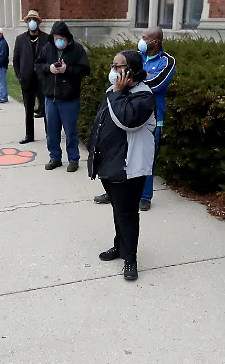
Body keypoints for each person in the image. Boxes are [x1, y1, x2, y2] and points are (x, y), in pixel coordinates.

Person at [87, 50, 157, 281]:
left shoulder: (143, 96)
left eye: (119, 66)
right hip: (111, 163)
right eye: (113, 65)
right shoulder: (113, 91)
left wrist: (117, 93)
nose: (113, 70)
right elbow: (102, 122)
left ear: (132, 70)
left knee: (127, 213)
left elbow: (127, 120)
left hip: (130, 167)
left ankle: (130, 259)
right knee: (118, 210)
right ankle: (119, 246)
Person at [93, 26, 176, 211]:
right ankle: (114, 190)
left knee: (145, 156)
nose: (142, 41)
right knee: (118, 153)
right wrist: (128, 80)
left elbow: (157, 84)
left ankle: (144, 196)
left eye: (146, 38)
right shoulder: (137, 57)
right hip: (125, 109)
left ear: (156, 41)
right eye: (142, 37)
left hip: (150, 116)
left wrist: (133, 79)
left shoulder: (166, 61)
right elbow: (130, 79)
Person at [36, 21, 91, 172]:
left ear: (67, 37)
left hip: (69, 98)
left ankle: (73, 159)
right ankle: (55, 157)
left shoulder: (77, 49)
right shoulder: (47, 48)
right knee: (52, 131)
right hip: (50, 97)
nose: (58, 41)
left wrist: (68, 70)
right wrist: (49, 68)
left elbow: (85, 69)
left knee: (70, 131)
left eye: (61, 38)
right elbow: (38, 65)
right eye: (55, 38)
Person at [13, 10, 49, 143]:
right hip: (27, 80)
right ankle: (29, 135)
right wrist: (19, 76)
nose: (32, 22)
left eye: (34, 19)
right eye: (29, 20)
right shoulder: (20, 39)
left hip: (43, 80)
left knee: (46, 109)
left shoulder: (46, 38)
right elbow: (16, 60)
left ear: (38, 22)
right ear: (27, 22)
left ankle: (49, 134)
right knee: (28, 109)